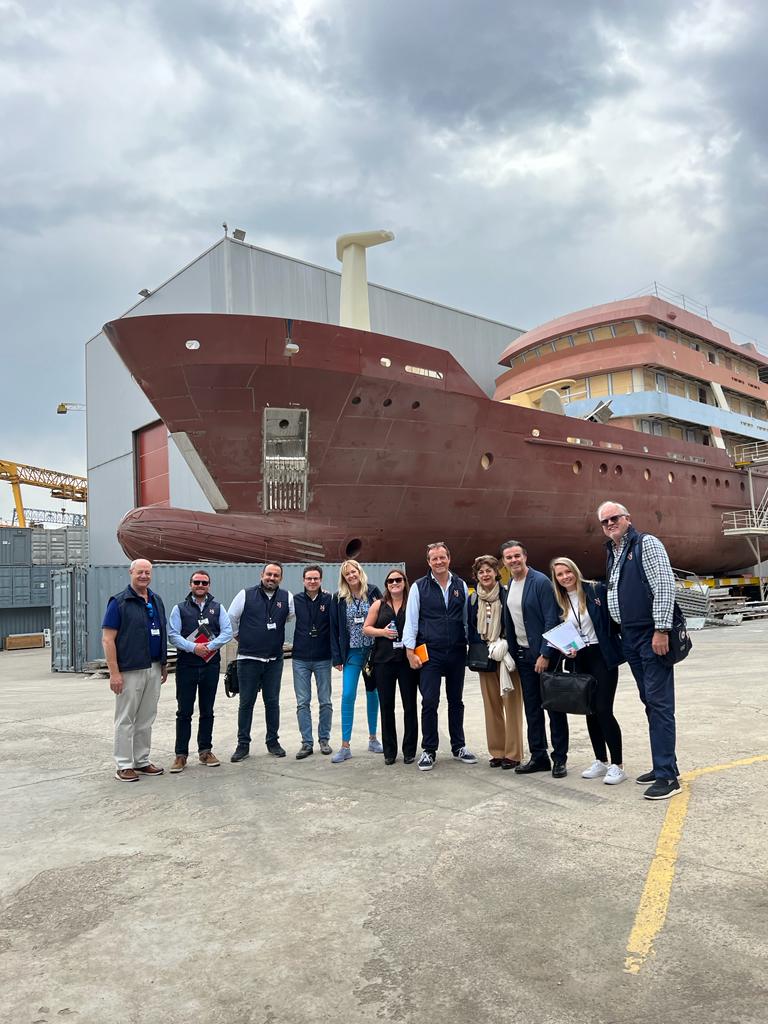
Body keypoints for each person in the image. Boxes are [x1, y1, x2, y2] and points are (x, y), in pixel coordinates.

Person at [598, 500, 681, 800]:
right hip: (630, 637)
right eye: (604, 521)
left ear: (628, 518)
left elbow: (664, 585)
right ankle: (665, 764)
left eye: (614, 518)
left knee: (659, 703)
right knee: (649, 700)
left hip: (650, 633)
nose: (610, 524)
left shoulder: (647, 544)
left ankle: (667, 777)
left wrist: (661, 629)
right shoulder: (613, 552)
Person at [550, 557, 626, 785]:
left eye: (567, 572)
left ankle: (618, 765)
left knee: (604, 709)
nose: (565, 577)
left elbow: (613, 620)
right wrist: (567, 650)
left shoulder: (595, 590)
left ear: (575, 570)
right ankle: (600, 760)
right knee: (590, 711)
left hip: (601, 656)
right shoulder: (560, 600)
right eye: (560, 575)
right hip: (579, 657)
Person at [403, 542, 477, 772]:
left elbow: (466, 619)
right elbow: (411, 621)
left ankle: (458, 747)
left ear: (449, 558)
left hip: (456, 651)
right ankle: (429, 750)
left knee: (456, 701)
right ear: (428, 562)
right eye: (434, 559)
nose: (439, 562)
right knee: (430, 702)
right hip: (430, 652)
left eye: (442, 557)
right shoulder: (418, 587)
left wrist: (470, 644)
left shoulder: (460, 585)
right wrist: (409, 651)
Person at [500, 540, 568, 778]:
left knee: (553, 707)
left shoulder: (540, 582)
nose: (513, 561)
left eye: (517, 556)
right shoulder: (510, 584)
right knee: (532, 709)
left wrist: (545, 653)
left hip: (542, 655)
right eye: (508, 557)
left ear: (525, 556)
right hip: (522, 655)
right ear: (505, 561)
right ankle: (539, 755)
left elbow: (552, 619)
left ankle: (559, 758)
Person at [101, 558, 168, 782]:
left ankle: (141, 761)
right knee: (125, 718)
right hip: (130, 669)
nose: (144, 576)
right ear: (131, 572)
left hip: (153, 666)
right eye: (140, 572)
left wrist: (163, 664)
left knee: (146, 717)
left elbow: (162, 632)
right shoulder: (119, 602)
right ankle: (123, 764)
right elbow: (108, 640)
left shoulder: (156, 600)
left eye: (147, 572)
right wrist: (114, 673)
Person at [227, 562, 295, 763]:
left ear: (280, 578)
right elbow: (231, 617)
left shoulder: (287, 598)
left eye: (276, 575)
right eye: (268, 574)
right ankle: (243, 745)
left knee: (272, 702)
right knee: (246, 702)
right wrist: (240, 637)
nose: (271, 578)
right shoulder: (245, 595)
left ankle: (273, 742)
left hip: (274, 660)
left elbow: (290, 617)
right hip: (249, 659)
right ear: (262, 575)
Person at [167, 570, 233, 772]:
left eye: (204, 582)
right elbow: (172, 634)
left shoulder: (217, 607)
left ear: (209, 585)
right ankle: (181, 755)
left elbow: (228, 632)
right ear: (190, 585)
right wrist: (193, 647)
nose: (200, 585)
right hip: (187, 666)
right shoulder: (179, 609)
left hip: (210, 666)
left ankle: (205, 751)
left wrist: (210, 646)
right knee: (184, 711)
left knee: (207, 710)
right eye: (197, 582)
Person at [468, 554, 524, 769]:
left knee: (511, 705)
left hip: (506, 655)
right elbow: (471, 627)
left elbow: (516, 623)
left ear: (496, 573)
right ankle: (498, 751)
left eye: (489, 570)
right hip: (485, 657)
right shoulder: (473, 599)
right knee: (491, 706)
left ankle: (513, 753)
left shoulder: (507, 595)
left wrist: (505, 644)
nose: (485, 575)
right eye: (481, 572)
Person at [363, 568, 419, 765]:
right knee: (387, 706)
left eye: (398, 580)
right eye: (390, 581)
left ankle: (410, 750)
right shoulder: (378, 604)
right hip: (383, 662)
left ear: (404, 582)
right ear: (386, 585)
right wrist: (383, 633)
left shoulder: (412, 602)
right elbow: (366, 628)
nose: (394, 583)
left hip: (406, 661)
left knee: (409, 705)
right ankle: (389, 751)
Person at [329, 560, 384, 762]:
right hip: (351, 653)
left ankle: (373, 738)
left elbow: (385, 615)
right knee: (348, 694)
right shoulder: (338, 599)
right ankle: (345, 746)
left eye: (354, 572)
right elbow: (334, 629)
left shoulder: (374, 592)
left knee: (373, 693)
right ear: (343, 578)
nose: (351, 576)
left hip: (372, 653)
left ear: (360, 572)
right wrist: (337, 657)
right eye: (347, 574)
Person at [292, 565, 333, 759]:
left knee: (325, 701)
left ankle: (324, 739)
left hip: (323, 658)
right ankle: (306, 743)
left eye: (316, 578)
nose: (312, 581)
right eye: (309, 578)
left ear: (321, 580)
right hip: (300, 658)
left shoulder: (329, 599)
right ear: (303, 580)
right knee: (302, 702)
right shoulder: (295, 601)